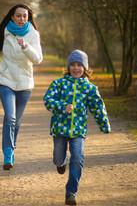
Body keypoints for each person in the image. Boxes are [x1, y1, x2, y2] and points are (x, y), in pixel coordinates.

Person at [43, 49, 111, 205]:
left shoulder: (90, 88)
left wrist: (104, 124)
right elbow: (48, 100)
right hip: (60, 129)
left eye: (79, 65)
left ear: (85, 68)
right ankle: (61, 162)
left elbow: (98, 107)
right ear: (68, 67)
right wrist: (61, 106)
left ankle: (71, 192)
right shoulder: (59, 83)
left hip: (78, 131)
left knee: (78, 159)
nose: (75, 68)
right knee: (58, 158)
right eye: (72, 65)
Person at [0, 4, 43, 170]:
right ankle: (8, 154)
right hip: (6, 79)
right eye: (19, 16)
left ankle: (12, 148)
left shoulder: (33, 34)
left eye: (25, 16)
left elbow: (38, 59)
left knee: (17, 121)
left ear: (28, 18)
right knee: (10, 116)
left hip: (24, 82)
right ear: (12, 17)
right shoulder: (5, 31)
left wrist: (26, 47)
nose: (22, 19)